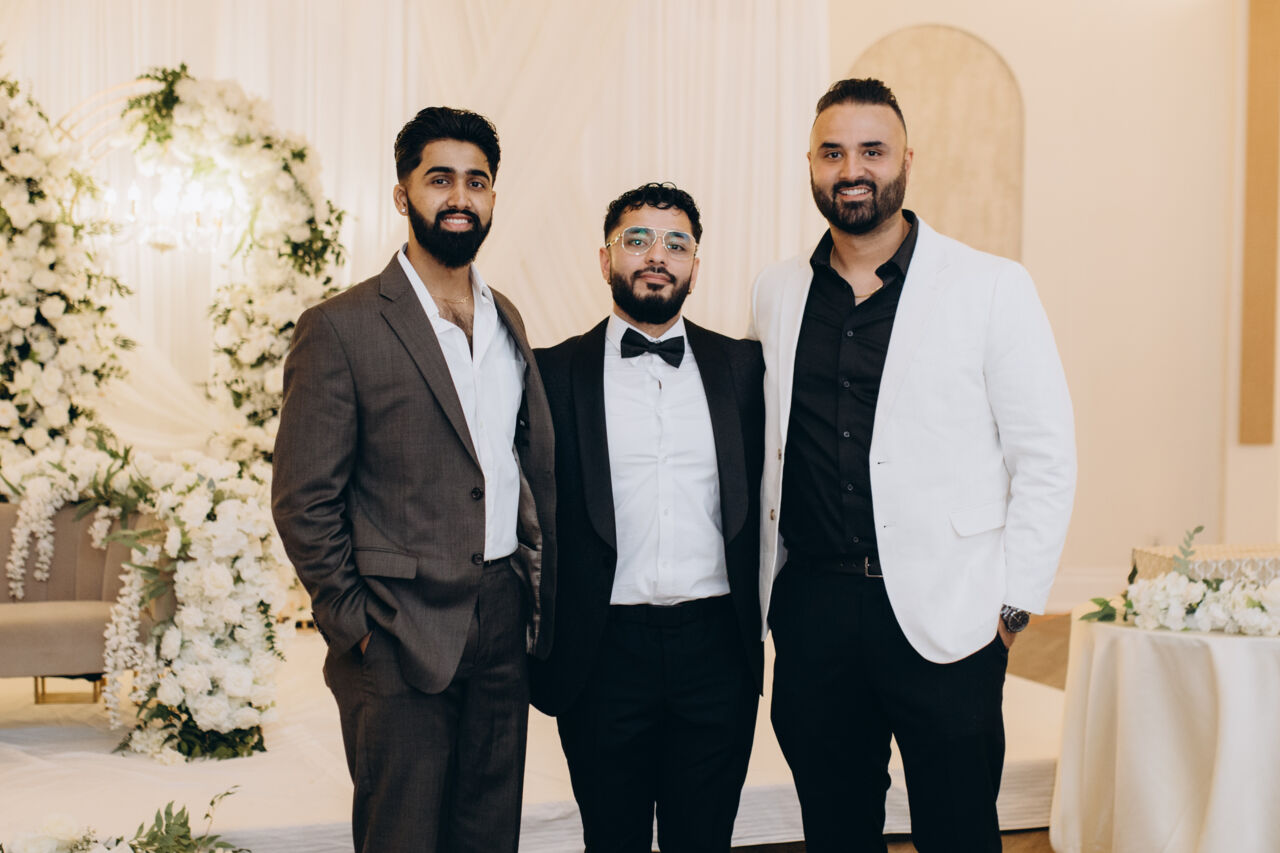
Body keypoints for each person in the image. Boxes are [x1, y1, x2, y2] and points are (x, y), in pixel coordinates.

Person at [750, 78, 1076, 852]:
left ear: (906, 160)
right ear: (810, 164)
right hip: (815, 608)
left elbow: (1045, 455)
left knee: (959, 829)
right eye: (833, 152)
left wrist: (1014, 606)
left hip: (950, 611)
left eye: (872, 150)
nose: (852, 169)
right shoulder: (776, 290)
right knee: (835, 829)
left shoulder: (991, 285)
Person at [271, 106, 556, 853]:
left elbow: (514, 465)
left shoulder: (507, 319)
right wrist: (357, 626)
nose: (459, 197)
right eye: (440, 179)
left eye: (477, 182)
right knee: (401, 836)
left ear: (492, 196)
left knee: (489, 833)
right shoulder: (341, 326)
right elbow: (303, 499)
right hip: (396, 629)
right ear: (403, 194)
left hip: (501, 618)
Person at [533, 182, 764, 852]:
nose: (657, 256)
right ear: (605, 259)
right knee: (612, 839)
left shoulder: (745, 368)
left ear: (696, 266)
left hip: (717, 649)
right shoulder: (551, 374)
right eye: (637, 240)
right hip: (602, 651)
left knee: (705, 840)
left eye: (676, 244)